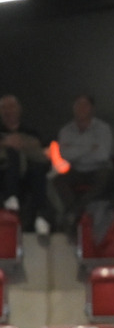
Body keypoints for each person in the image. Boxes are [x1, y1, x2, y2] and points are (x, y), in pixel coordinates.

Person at [52, 94, 114, 230]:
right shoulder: (66, 130)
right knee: (58, 180)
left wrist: (76, 149)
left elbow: (102, 155)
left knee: (106, 178)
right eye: (78, 105)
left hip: (98, 168)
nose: (81, 108)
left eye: (85, 105)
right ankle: (78, 213)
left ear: (92, 108)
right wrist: (89, 148)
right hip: (76, 169)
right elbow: (64, 155)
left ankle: (75, 211)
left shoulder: (103, 129)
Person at [0, 94, 53, 234]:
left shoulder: (31, 132)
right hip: (3, 174)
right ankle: (11, 196)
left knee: (38, 170)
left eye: (11, 107)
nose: (8, 111)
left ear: (19, 109)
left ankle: (42, 217)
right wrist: (6, 143)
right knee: (12, 154)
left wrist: (22, 143)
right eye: (4, 108)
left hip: (30, 176)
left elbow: (41, 150)